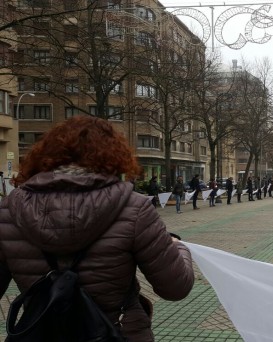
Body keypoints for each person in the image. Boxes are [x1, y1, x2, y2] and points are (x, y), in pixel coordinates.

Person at [0, 116, 194, 341]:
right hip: (117, 332)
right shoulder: (134, 208)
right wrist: (179, 248)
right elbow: (175, 288)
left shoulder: (9, 211)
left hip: (42, 332)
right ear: (114, 155)